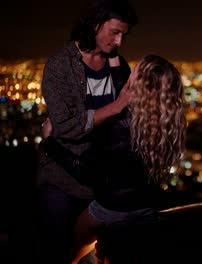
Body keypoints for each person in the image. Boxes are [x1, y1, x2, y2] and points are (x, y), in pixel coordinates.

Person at [41, 54, 187, 263]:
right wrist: (113, 58)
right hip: (145, 205)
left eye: (135, 71)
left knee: (70, 250)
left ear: (141, 87)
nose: (131, 71)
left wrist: (50, 143)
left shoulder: (120, 126)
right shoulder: (168, 123)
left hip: (112, 208)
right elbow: (123, 84)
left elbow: (85, 172)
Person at [37, 0, 138, 263]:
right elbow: (67, 126)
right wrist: (114, 107)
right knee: (58, 251)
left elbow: (128, 117)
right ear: (95, 24)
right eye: (115, 32)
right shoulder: (61, 65)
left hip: (100, 181)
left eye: (123, 35)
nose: (119, 42)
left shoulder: (116, 64)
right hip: (62, 180)